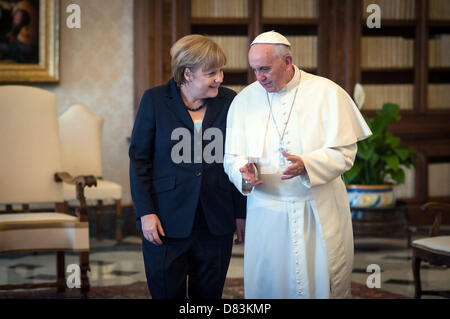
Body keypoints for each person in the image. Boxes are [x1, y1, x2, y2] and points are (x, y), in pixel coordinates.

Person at [224, 31, 372, 299]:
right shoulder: (244, 100)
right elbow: (231, 159)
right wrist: (243, 174)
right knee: (270, 285)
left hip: (316, 206)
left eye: (265, 69)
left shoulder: (327, 93)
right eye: (255, 70)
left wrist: (308, 164)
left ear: (288, 61)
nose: (259, 78)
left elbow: (345, 153)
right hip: (266, 213)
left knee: (320, 283)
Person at [129, 34, 246, 299]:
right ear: (187, 74)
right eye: (212, 73)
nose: (220, 78)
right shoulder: (155, 100)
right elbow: (139, 161)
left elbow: (240, 157)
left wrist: (241, 213)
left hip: (217, 219)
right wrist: (146, 212)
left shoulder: (230, 101)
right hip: (166, 221)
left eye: (221, 71)